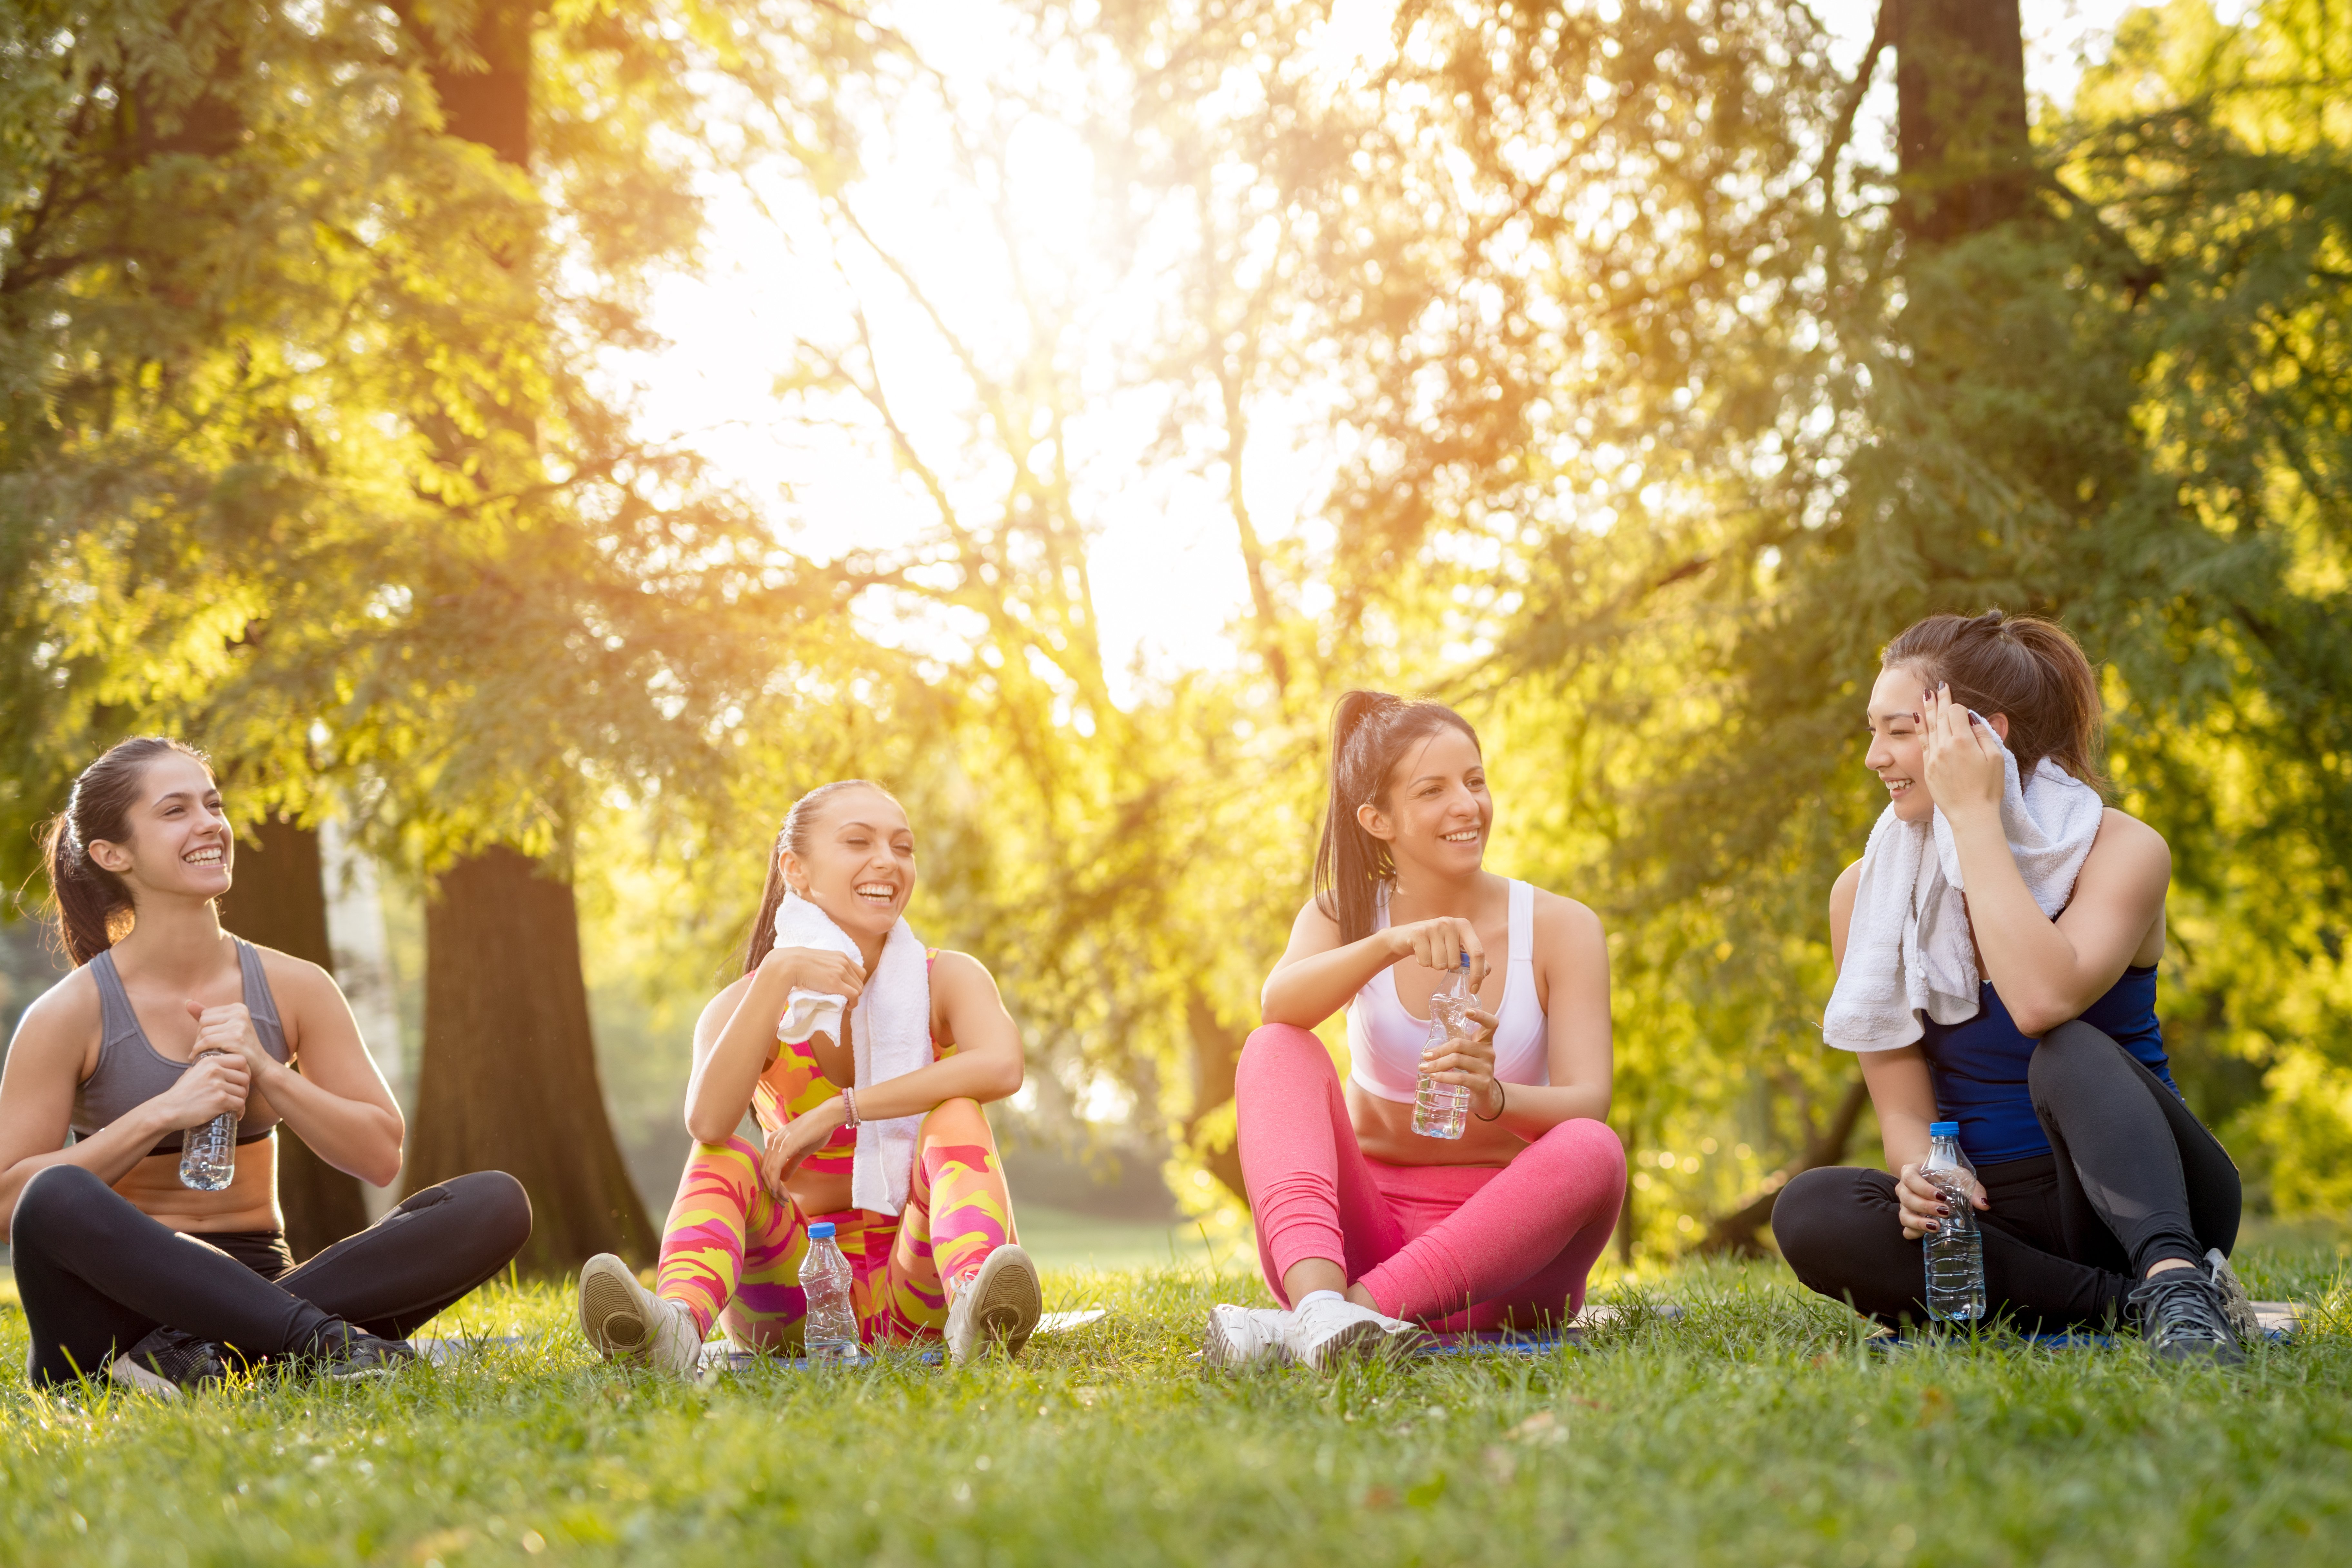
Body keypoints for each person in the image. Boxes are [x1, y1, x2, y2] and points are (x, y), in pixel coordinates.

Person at [1772, 611, 2256, 1362]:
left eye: (1899, 731)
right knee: (1810, 1207)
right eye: (1872, 731)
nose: (1874, 757)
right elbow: (1902, 1105)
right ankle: (2129, 1307)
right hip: (1992, 1216)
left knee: (2063, 1049)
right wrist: (1919, 1180)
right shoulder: (1864, 893)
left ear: (1981, 736)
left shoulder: (2121, 849)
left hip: (2142, 1200)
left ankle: (2172, 1278)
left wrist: (1973, 818)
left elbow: (2038, 1002)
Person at [0, 737, 533, 1393]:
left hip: (262, 1280)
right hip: (115, 1309)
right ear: (114, 854)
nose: (209, 824)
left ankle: (216, 1352)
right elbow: (10, 1202)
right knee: (52, 1193)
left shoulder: (294, 985)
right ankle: (320, 1342)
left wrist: (270, 1071)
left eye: (212, 803)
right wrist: (165, 1110)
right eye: (175, 810)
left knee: (493, 1201)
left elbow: (380, 1154)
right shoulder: (71, 1013)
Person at [1205, 692, 1625, 1371]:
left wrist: (1493, 1095)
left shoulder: (1560, 926)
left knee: (1593, 1146)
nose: (1466, 804)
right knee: (1275, 1044)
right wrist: (1389, 941)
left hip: (1506, 1268)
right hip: (1358, 1241)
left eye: (1475, 781)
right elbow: (1277, 1004)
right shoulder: (1343, 913)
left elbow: (1587, 1099)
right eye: (1432, 790)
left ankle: (1348, 1315)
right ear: (1377, 819)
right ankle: (1319, 1311)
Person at [574, 779, 1037, 1372]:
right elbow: (708, 1121)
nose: (887, 862)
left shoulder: (947, 978)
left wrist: (842, 1109)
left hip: (924, 1289)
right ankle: (675, 1327)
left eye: (903, 847)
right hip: (801, 1301)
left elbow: (1001, 1066)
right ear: (795, 869)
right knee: (725, 1153)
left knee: (957, 1112)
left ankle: (979, 1309)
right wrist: (778, 974)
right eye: (858, 842)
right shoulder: (746, 1005)